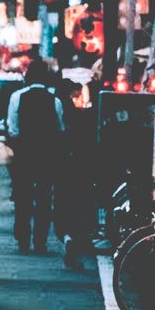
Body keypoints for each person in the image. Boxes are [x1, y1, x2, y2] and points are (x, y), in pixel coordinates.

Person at [6, 59, 66, 254]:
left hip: (24, 155)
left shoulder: (17, 98)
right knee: (44, 199)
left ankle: (23, 238)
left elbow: (12, 128)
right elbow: (60, 128)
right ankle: (40, 241)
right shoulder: (54, 100)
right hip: (47, 157)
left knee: (22, 198)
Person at [54, 80, 96, 270]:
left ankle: (66, 236)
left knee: (62, 203)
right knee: (78, 205)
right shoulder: (82, 115)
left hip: (61, 165)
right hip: (80, 166)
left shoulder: (57, 106)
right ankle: (75, 239)